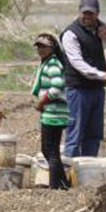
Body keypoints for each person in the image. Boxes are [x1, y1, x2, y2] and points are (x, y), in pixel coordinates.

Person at [59, 0, 106, 158]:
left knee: (93, 134)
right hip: (77, 89)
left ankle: (89, 169)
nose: (87, 17)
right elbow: (78, 63)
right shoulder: (70, 34)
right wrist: (103, 75)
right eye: (84, 13)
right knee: (75, 133)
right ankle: (70, 175)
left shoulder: (101, 29)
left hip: (97, 89)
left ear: (97, 14)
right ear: (79, 12)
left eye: (90, 14)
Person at [30, 33, 70, 189]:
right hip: (52, 113)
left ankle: (55, 185)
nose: (41, 49)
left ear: (52, 48)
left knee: (49, 150)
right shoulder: (47, 63)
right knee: (50, 150)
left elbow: (57, 85)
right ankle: (63, 183)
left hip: (54, 112)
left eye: (44, 46)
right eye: (39, 46)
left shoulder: (52, 64)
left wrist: (42, 101)